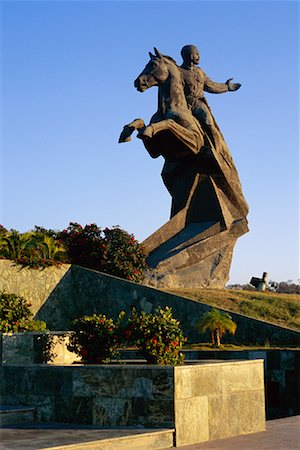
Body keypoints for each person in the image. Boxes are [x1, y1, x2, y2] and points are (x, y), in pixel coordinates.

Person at [180, 45, 241, 145]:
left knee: (209, 122)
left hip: (197, 104)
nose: (199, 57)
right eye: (197, 54)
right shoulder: (179, 71)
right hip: (183, 104)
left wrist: (226, 87)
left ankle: (215, 148)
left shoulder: (199, 72)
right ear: (191, 56)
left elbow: (210, 86)